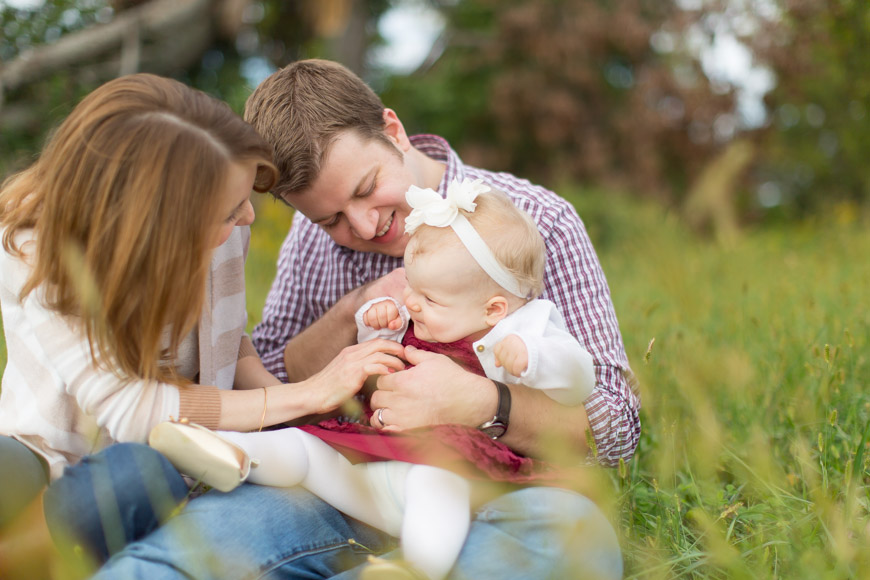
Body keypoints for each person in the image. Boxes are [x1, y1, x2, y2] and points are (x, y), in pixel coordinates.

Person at [94, 58, 633, 579]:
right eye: (332, 218)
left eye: (366, 188)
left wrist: (485, 403)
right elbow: (276, 380)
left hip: (500, 491)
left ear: (393, 130)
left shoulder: (537, 220)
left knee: (571, 540)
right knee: (187, 553)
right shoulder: (311, 243)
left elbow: (616, 429)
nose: (366, 225)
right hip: (346, 478)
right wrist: (352, 313)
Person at [0, 73, 405, 575]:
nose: (248, 219)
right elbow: (132, 411)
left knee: (146, 474)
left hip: (177, 461)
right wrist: (308, 393)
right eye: (229, 210)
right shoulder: (36, 248)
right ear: (156, 223)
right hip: (50, 455)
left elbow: (232, 348)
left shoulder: (225, 231)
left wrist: (305, 419)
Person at [147, 182, 597, 580]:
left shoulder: (522, 330)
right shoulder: (426, 312)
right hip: (370, 464)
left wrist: (531, 358)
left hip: (446, 468)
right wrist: (373, 322)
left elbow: (580, 378)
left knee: (436, 488)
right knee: (307, 450)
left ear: (493, 309)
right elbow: (363, 347)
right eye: (410, 291)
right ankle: (230, 453)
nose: (412, 305)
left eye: (428, 298)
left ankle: (415, 568)